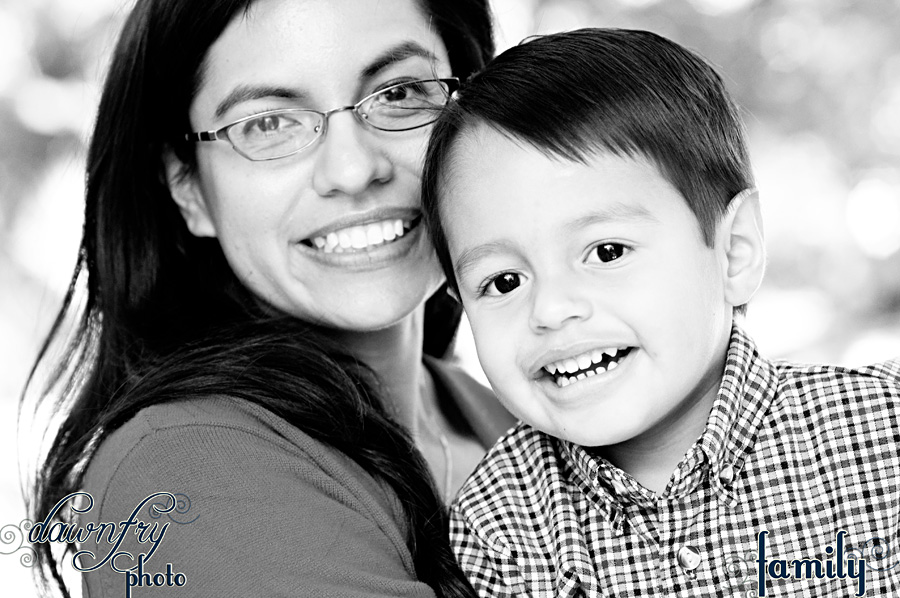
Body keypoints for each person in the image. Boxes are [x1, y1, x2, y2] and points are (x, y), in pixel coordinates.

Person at [23, 0, 516, 597]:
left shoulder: (511, 416)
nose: (353, 169)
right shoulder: (190, 478)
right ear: (187, 186)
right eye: (268, 124)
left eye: (400, 92)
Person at [420, 28, 900, 597]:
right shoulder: (499, 525)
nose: (551, 309)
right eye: (503, 282)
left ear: (734, 250)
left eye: (606, 252)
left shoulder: (882, 431)